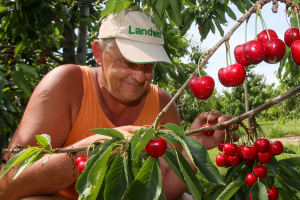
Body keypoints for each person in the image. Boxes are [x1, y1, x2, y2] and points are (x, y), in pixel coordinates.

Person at [0, 9, 237, 200]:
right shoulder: (66, 85)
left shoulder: (163, 105)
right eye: (128, 62)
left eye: (148, 65)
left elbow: (163, 191)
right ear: (99, 53)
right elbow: (7, 185)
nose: (140, 76)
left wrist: (192, 149)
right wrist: (97, 145)